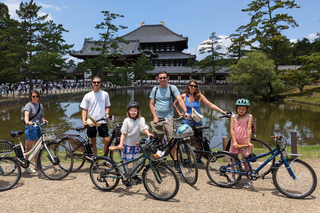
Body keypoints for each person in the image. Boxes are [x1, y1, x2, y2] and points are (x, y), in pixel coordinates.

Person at [173, 79, 226, 164]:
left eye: (195, 86)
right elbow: (175, 104)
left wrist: (221, 111)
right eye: (191, 86)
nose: (193, 87)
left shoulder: (199, 96)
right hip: (186, 122)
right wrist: (180, 113)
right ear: (188, 86)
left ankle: (198, 158)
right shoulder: (183, 96)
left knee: (198, 141)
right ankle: (188, 159)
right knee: (187, 141)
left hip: (197, 122)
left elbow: (210, 104)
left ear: (197, 87)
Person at [149, 70, 190, 172]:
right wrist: (154, 116)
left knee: (172, 140)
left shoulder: (172, 88)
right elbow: (151, 104)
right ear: (158, 79)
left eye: (164, 77)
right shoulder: (155, 89)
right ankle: (158, 160)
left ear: (167, 78)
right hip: (158, 118)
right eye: (160, 78)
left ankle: (176, 161)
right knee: (157, 141)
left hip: (168, 118)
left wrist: (185, 111)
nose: (162, 79)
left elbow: (180, 100)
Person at [117, 101, 153, 188]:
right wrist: (121, 143)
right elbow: (123, 133)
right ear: (128, 111)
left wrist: (148, 134)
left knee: (136, 161)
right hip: (127, 144)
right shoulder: (126, 121)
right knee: (126, 161)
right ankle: (125, 176)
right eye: (131, 111)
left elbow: (144, 128)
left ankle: (134, 175)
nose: (133, 112)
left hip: (136, 144)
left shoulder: (141, 119)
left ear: (138, 111)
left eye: (135, 111)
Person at [80, 76, 111, 156]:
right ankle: (95, 157)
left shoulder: (105, 94)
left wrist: (107, 114)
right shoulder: (88, 95)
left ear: (100, 83)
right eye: (94, 82)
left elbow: (107, 106)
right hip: (91, 121)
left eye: (98, 82)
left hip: (102, 120)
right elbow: (84, 109)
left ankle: (105, 157)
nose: (96, 84)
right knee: (93, 141)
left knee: (107, 140)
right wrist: (84, 120)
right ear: (92, 83)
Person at [230, 98, 254, 189]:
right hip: (235, 140)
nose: (241, 111)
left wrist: (248, 141)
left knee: (246, 161)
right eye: (239, 109)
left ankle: (248, 179)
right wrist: (234, 141)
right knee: (233, 160)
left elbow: (249, 129)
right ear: (237, 108)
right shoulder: (233, 117)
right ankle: (233, 176)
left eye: (243, 109)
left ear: (247, 109)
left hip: (244, 140)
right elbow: (232, 130)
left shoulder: (249, 116)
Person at [23, 90, 48, 173]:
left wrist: (44, 120)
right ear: (30, 97)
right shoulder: (28, 105)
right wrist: (27, 122)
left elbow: (41, 117)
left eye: (37, 96)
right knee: (28, 148)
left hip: (39, 127)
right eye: (33, 96)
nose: (35, 98)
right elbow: (26, 115)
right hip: (31, 127)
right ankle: (26, 167)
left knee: (37, 148)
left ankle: (37, 164)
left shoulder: (40, 105)